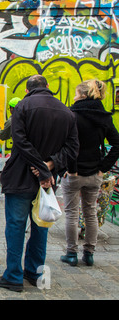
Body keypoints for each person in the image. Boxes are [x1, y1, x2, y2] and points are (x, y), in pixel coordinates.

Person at [0, 75, 79, 292]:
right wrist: (49, 165)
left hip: (20, 177)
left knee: (15, 227)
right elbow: (72, 148)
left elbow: (20, 141)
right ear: (47, 87)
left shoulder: (23, 106)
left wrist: (39, 166)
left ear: (28, 90)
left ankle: (13, 276)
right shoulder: (66, 112)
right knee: (41, 227)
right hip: (47, 183)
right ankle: (34, 272)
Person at [60, 79, 119, 267]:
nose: (75, 97)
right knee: (90, 213)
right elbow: (117, 144)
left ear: (83, 95)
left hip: (74, 174)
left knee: (71, 213)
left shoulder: (72, 116)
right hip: (94, 172)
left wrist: (71, 169)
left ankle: (71, 254)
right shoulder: (104, 117)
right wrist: (103, 167)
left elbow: (68, 145)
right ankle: (89, 253)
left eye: (76, 93)